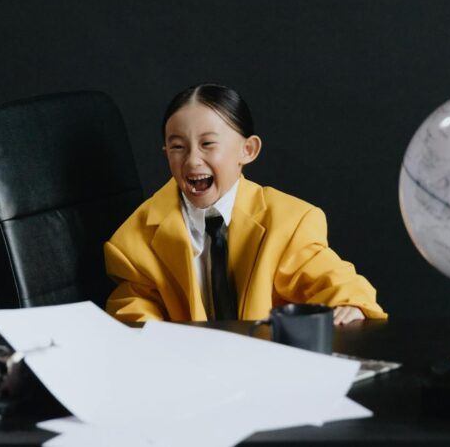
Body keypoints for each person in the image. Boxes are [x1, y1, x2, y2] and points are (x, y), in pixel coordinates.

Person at [104, 84, 386, 325]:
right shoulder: (136, 236)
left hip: (267, 366)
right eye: (177, 147)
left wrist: (351, 304)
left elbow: (325, 274)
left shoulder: (290, 221)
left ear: (247, 150)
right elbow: (134, 303)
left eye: (208, 144)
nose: (192, 160)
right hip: (189, 370)